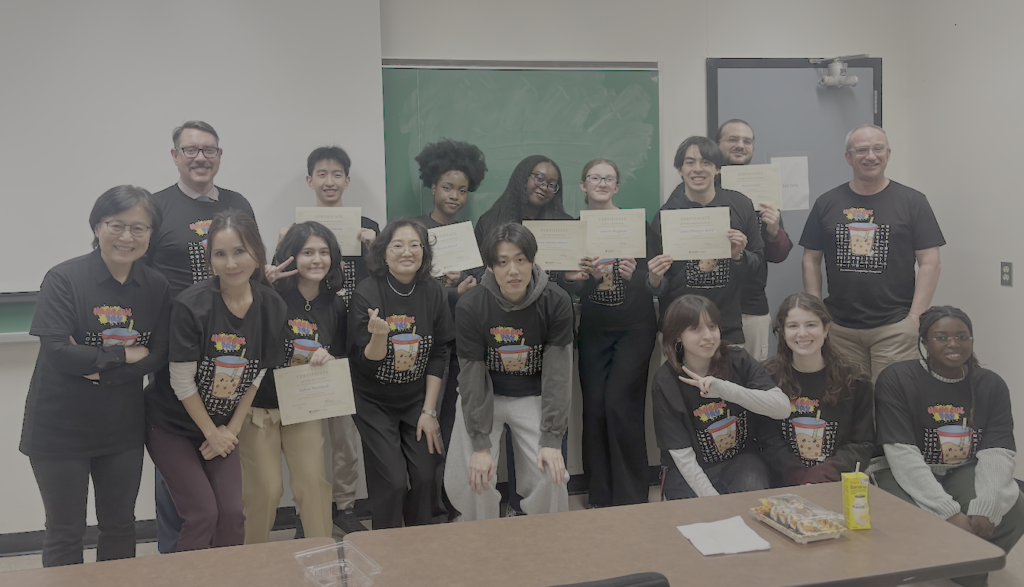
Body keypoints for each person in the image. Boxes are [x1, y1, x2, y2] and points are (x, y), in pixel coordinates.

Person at [20, 186, 169, 566]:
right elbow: (58, 352)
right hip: (59, 426)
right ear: (97, 226)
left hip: (121, 427)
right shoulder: (64, 278)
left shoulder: (156, 286)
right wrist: (123, 354)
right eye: (116, 225)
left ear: (151, 234)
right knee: (65, 530)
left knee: (119, 526)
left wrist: (101, 371)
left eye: (138, 228)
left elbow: (158, 355)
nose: (126, 236)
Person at [144, 210, 286, 551]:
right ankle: (187, 575)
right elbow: (181, 382)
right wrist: (212, 433)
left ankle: (228, 575)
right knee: (202, 515)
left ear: (257, 253)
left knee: (233, 514)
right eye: (220, 254)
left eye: (239, 251)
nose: (230, 263)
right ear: (209, 259)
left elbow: (257, 373)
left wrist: (230, 431)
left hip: (222, 426)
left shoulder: (272, 305)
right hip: (172, 424)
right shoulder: (191, 305)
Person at [147, 120, 257, 552]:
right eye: (190, 150)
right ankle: (175, 552)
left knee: (223, 495)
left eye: (208, 150)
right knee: (177, 471)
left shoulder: (237, 202)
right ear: (175, 156)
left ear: (219, 156)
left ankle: (216, 560)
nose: (200, 158)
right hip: (176, 348)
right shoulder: (156, 207)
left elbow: (249, 260)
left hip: (228, 347)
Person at [874, 306, 1024, 587]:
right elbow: (901, 453)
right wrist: (948, 512)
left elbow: (997, 451)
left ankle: (967, 572)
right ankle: (928, 568)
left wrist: (987, 505)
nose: (954, 344)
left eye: (962, 336)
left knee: (1013, 509)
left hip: (962, 466)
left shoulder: (991, 384)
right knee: (906, 519)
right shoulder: (897, 378)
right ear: (924, 342)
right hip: (899, 469)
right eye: (941, 337)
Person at [445, 222, 573, 519]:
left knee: (551, 475)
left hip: (532, 395)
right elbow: (471, 376)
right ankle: (481, 538)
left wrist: (552, 439)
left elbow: (558, 374)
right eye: (502, 262)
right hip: (485, 397)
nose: (513, 270)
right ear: (490, 267)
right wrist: (480, 444)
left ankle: (548, 539)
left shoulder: (556, 301)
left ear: (533, 260)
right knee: (476, 477)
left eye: (520, 259)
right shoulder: (471, 305)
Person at [282, 146, 379, 535]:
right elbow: (278, 283)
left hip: (349, 337)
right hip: (303, 346)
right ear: (310, 181)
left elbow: (383, 275)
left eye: (337, 174)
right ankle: (305, 512)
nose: (329, 181)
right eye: (321, 174)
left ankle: (345, 508)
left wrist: (374, 248)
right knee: (305, 440)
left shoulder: (367, 227)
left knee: (344, 437)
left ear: (347, 180)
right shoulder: (295, 230)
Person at [800, 124, 944, 381]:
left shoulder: (913, 202)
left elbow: (930, 262)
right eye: (861, 150)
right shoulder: (827, 203)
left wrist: (915, 317)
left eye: (878, 148)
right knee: (849, 400)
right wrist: (816, 313)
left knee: (892, 400)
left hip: (895, 327)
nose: (871, 156)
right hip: (840, 328)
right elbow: (810, 260)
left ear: (888, 154)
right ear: (848, 157)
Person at [473, 155, 574, 516]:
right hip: (499, 340)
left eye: (552, 183)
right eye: (538, 178)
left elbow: (569, 289)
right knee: (500, 430)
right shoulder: (491, 221)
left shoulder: (566, 225)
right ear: (522, 177)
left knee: (541, 430)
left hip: (548, 332)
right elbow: (482, 276)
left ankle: (533, 509)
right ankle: (512, 504)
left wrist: (578, 279)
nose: (544, 187)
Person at [239, 222, 347, 543]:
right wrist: (258, 284)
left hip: (303, 406)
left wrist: (329, 358)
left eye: (324, 252)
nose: (317, 260)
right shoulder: (269, 293)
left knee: (313, 483)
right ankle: (251, 560)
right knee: (266, 490)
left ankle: (323, 554)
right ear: (292, 256)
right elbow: (240, 331)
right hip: (260, 405)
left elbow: (341, 354)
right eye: (307, 252)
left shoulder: (336, 304)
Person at [346, 219, 455, 529]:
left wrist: (429, 412)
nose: (407, 252)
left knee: (425, 477)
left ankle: (418, 545)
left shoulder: (434, 291)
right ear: (383, 252)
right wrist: (379, 337)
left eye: (414, 245)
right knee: (393, 482)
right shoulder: (367, 292)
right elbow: (366, 362)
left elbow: (439, 353)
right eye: (397, 245)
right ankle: (388, 545)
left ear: (424, 251)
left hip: (416, 399)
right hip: (373, 401)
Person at [573, 159, 658, 507]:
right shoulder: (575, 230)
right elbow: (567, 286)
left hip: (635, 328)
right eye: (595, 177)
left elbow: (657, 280)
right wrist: (584, 279)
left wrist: (635, 275)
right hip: (593, 330)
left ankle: (630, 495)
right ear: (583, 185)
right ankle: (600, 493)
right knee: (594, 408)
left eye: (609, 178)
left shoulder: (636, 224)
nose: (602, 183)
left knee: (620, 405)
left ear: (617, 187)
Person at [411, 138, 488, 520]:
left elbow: (479, 287)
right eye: (447, 187)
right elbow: (410, 289)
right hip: (425, 347)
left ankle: (450, 500)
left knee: (454, 423)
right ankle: (425, 506)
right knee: (425, 421)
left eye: (462, 189)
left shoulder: (469, 236)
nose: (454, 196)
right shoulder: (415, 231)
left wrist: (467, 288)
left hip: (461, 343)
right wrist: (450, 291)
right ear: (432, 186)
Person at [651, 295, 789, 499]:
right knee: (694, 516)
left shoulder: (737, 359)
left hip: (739, 461)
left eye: (712, 326)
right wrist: (715, 503)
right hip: (688, 470)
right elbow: (682, 455)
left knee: (751, 484)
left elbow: (782, 408)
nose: (708, 336)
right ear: (678, 336)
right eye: (696, 329)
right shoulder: (665, 381)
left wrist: (725, 389)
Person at [648, 137, 763, 345]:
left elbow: (758, 267)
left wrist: (739, 256)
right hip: (679, 329)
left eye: (706, 162)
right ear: (680, 169)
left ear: (717, 169)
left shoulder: (740, 204)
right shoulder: (666, 215)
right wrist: (655, 280)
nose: (698, 169)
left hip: (726, 327)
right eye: (690, 162)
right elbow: (659, 285)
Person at [759, 293, 873, 487]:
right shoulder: (765, 378)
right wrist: (799, 476)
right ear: (783, 332)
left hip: (836, 482)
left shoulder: (856, 380)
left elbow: (862, 444)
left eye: (811, 325)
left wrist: (823, 474)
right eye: (793, 326)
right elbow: (767, 441)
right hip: (784, 483)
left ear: (826, 329)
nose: (802, 333)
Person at [714, 119, 793, 361]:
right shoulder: (701, 185)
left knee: (752, 376)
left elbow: (778, 255)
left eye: (747, 141)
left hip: (751, 305)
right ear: (717, 144)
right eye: (733, 139)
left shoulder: (763, 187)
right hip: (710, 305)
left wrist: (773, 231)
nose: (740, 145)